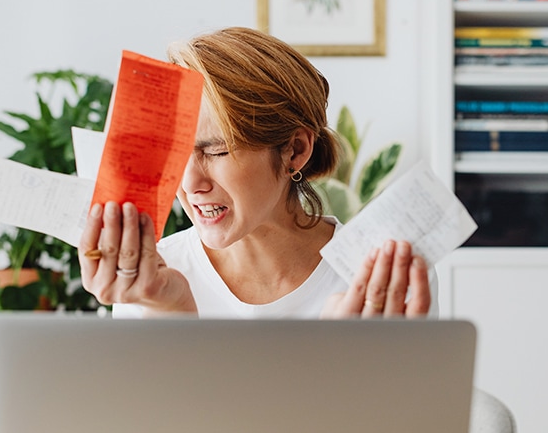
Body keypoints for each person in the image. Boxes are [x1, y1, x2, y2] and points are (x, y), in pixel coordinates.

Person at [77, 27, 432, 319]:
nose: (189, 184)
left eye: (216, 150)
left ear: (296, 150)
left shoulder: (381, 278)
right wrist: (172, 313)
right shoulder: (150, 279)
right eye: (176, 154)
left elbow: (421, 406)